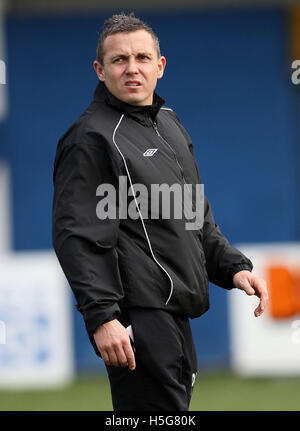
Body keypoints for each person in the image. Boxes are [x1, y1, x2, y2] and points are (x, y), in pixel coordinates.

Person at [52, 12, 268, 411]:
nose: (132, 69)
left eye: (142, 58)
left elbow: (193, 213)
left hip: (177, 315)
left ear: (160, 66)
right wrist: (102, 318)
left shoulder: (168, 123)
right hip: (138, 318)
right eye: (119, 60)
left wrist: (232, 266)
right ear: (100, 70)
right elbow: (78, 236)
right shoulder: (91, 138)